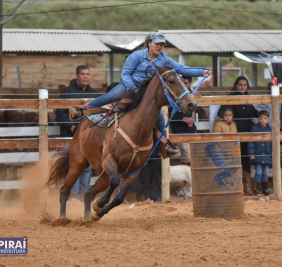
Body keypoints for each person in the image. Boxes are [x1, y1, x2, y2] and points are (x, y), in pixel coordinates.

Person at [86, 32, 211, 157]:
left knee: (160, 117)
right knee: (110, 96)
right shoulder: (137, 55)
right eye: (157, 43)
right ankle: (84, 109)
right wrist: (132, 88)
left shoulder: (164, 58)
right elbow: (125, 74)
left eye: (162, 44)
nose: (159, 46)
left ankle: (164, 145)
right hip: (130, 85)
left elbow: (181, 68)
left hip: (147, 92)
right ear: (149, 43)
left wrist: (201, 72)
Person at [55, 65, 99, 199]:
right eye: (83, 74)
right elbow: (60, 114)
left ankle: (83, 194)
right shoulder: (67, 92)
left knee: (86, 164)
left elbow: (98, 113)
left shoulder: (94, 94)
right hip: (71, 135)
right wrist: (72, 126)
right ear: (77, 76)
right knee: (72, 164)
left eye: (87, 74)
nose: (85, 76)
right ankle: (72, 195)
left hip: (88, 136)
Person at [229, 76, 259, 196]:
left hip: (247, 134)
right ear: (236, 85)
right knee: (234, 160)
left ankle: (247, 188)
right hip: (234, 134)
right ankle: (236, 188)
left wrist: (262, 116)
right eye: (240, 85)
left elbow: (255, 113)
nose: (242, 87)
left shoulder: (248, 99)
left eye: (245, 85)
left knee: (246, 160)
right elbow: (224, 112)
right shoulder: (230, 98)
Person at [170, 76, 200, 165]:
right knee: (188, 159)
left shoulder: (191, 94)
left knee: (194, 157)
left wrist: (194, 128)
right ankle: (188, 177)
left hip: (190, 130)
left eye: (185, 83)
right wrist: (181, 119)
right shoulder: (173, 95)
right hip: (179, 130)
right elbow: (167, 114)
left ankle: (188, 177)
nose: (183, 85)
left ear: (190, 84)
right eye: (182, 83)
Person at [248, 110, 272, 196]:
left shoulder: (269, 129)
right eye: (261, 118)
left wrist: (272, 153)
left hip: (266, 155)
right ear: (258, 119)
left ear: (268, 120)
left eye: (265, 118)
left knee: (265, 172)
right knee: (258, 172)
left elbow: (272, 144)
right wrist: (251, 154)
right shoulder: (254, 129)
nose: (263, 120)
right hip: (258, 155)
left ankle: (265, 189)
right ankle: (256, 189)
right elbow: (251, 142)